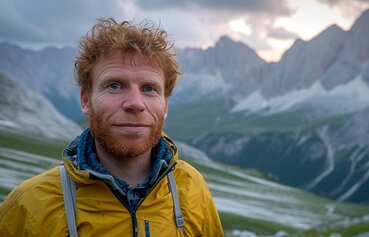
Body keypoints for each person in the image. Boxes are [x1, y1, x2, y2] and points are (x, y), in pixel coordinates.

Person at [0, 17, 223, 236]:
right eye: (115, 85)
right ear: (86, 100)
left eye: (149, 89)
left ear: (165, 105)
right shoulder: (28, 205)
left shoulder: (193, 188)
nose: (135, 103)